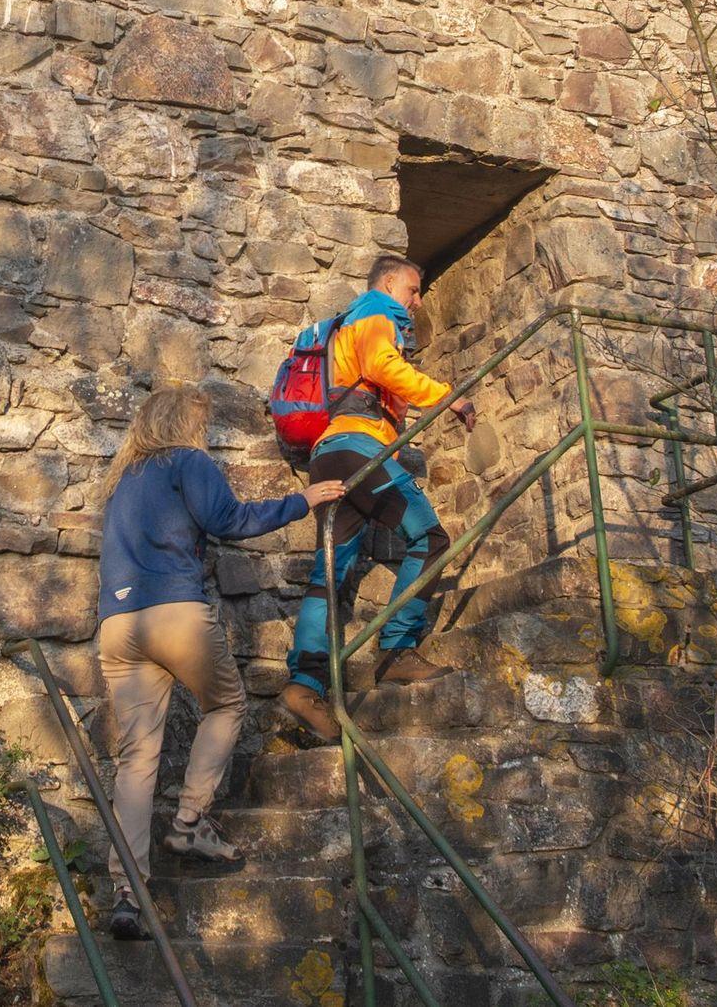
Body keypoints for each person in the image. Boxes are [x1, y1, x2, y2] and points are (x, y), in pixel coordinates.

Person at [94, 384, 346, 940]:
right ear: (182, 424)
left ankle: (127, 892)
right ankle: (188, 820)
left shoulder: (121, 482)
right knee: (227, 704)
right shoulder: (188, 462)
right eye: (199, 424)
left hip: (117, 625)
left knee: (136, 759)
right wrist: (302, 501)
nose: (202, 434)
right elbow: (229, 520)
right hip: (173, 613)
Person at [279, 256, 477, 743]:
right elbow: (381, 365)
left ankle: (305, 685)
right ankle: (396, 649)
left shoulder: (346, 323)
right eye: (413, 289)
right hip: (358, 450)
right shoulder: (374, 310)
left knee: (330, 572)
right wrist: (447, 396)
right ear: (389, 283)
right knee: (430, 539)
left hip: (328, 454)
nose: (418, 300)